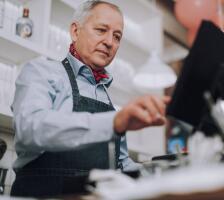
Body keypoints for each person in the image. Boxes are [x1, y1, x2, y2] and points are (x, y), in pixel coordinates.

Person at [11, 0, 170, 197]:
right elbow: (30, 128)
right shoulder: (40, 72)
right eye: (101, 30)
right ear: (76, 31)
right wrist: (114, 122)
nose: (110, 42)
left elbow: (120, 163)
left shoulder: (106, 97)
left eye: (117, 36)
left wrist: (162, 174)